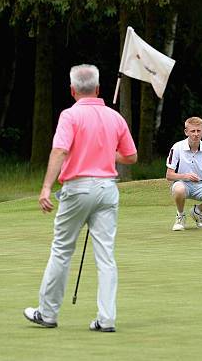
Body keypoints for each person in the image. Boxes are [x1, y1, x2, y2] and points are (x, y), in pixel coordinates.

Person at [23, 64, 137, 332]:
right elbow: (131, 157)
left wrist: (46, 188)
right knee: (106, 256)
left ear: (72, 90)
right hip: (108, 189)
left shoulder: (69, 115)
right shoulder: (115, 117)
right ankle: (106, 319)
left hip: (77, 189)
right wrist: (111, 155)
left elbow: (59, 151)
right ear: (98, 89)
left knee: (62, 250)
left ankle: (47, 313)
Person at [166, 117, 202, 231]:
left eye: (198, 131)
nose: (196, 134)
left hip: (200, 185)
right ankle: (180, 216)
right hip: (181, 183)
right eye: (193, 131)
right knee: (179, 189)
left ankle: (197, 212)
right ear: (186, 132)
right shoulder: (177, 147)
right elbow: (169, 175)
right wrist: (185, 176)